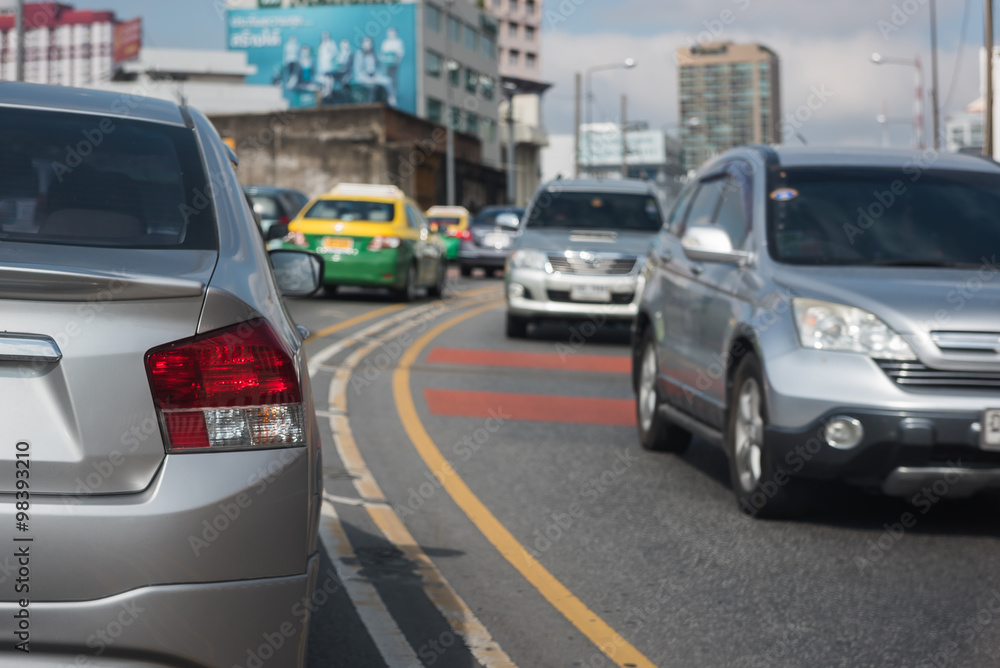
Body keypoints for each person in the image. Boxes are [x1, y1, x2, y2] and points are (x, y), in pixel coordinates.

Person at [352, 36, 388, 103]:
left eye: (369, 44)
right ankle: (369, 104)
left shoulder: (376, 54)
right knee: (372, 87)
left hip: (374, 76)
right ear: (362, 45)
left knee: (387, 82)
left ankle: (392, 102)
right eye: (365, 44)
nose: (367, 46)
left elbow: (380, 68)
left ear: (371, 44)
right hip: (363, 77)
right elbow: (358, 70)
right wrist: (367, 79)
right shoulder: (359, 55)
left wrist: (376, 76)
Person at [379, 27, 405, 107]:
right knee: (387, 80)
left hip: (394, 64)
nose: (391, 34)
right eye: (390, 33)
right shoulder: (385, 43)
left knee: (393, 80)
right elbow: (382, 54)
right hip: (386, 65)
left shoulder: (398, 42)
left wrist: (396, 59)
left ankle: (393, 96)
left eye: (393, 33)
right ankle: (388, 96)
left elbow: (400, 53)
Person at [317, 32, 338, 99]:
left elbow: (335, 52)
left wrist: (330, 57)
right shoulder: (321, 43)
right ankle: (326, 91)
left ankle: (329, 92)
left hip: (329, 65)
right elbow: (320, 55)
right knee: (324, 78)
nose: (325, 36)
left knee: (329, 78)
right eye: (323, 35)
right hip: (322, 65)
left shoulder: (331, 43)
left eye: (326, 35)